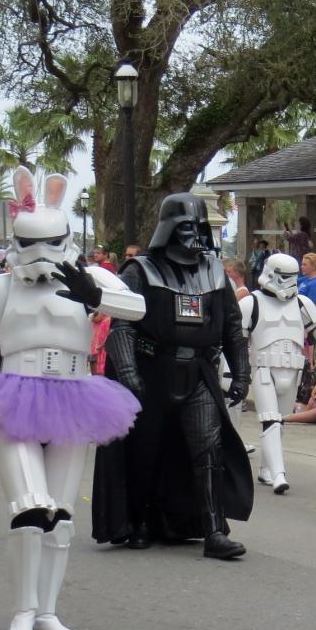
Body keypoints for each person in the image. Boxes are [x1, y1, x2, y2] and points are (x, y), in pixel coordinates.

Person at [0, 167, 145, 630]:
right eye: (29, 243)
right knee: (28, 509)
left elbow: (138, 308)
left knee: (60, 513)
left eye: (49, 242)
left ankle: (48, 611)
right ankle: (23, 611)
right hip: (16, 394)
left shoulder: (90, 277)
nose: (39, 254)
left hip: (75, 395)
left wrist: (95, 295)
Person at [90, 192, 252, 560]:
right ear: (167, 229)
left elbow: (231, 326)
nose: (193, 236)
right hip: (151, 370)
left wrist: (241, 373)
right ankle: (141, 520)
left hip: (198, 371)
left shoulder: (215, 272)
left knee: (208, 448)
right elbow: (122, 326)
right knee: (147, 449)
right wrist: (129, 372)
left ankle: (214, 530)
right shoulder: (140, 270)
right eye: (185, 228)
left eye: (198, 227)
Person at [239, 253, 316, 494]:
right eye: (284, 277)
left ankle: (266, 468)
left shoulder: (301, 302)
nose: (288, 282)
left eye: (292, 277)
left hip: (293, 368)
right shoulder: (250, 303)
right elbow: (236, 340)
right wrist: (232, 372)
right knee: (271, 419)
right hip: (264, 367)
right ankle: (278, 474)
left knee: (279, 421)